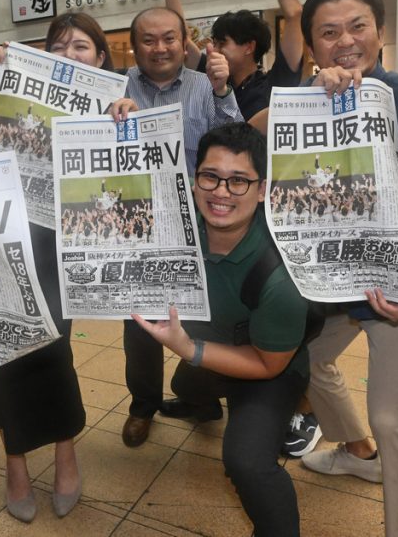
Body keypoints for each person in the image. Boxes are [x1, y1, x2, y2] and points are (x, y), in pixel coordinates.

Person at [279, 0, 398, 537]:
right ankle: (356, 452)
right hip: (333, 284)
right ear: (313, 45)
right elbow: (244, 141)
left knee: (394, 417)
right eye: (328, 32)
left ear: (379, 31)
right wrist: (305, 93)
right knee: (308, 359)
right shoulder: (304, 104)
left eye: (357, 26)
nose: (344, 40)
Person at [0, 13, 107, 523]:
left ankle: (66, 453)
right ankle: (15, 462)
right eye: (60, 46)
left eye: (83, 46)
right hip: (1, 241)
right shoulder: (13, 95)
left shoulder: (111, 104)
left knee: (53, 350)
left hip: (61, 249)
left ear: (101, 58)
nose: (71, 54)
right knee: (2, 350)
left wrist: (124, 120)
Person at [133, 122, 309, 537]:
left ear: (263, 189)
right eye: (210, 177)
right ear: (194, 181)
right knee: (186, 386)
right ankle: (204, 404)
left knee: (247, 461)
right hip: (209, 346)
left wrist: (189, 347)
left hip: (268, 362)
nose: (221, 192)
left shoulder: (282, 273)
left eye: (239, 181)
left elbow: (268, 364)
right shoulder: (177, 224)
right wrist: (120, 123)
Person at [108, 6, 243, 448]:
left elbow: (235, 145)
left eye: (169, 38)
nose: (160, 47)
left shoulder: (206, 85)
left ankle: (200, 398)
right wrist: (110, 121)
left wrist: (224, 91)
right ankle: (142, 406)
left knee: (203, 319)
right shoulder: (116, 86)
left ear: (184, 41)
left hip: (199, 226)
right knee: (140, 327)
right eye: (149, 39)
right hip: (136, 229)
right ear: (133, 44)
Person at [159, 0, 305, 120]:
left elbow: (294, 14)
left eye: (222, 43)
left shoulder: (275, 84)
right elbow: (182, 38)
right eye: (214, 44)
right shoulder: (213, 78)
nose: (215, 51)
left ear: (249, 47)